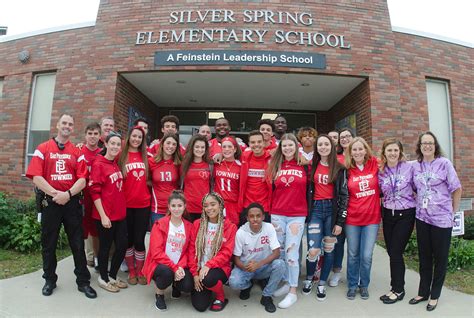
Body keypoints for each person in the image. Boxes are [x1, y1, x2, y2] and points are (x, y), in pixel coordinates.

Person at [26, 114, 96, 298]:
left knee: (77, 244)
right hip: (50, 203)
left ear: (73, 128)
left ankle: (83, 282)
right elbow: (36, 176)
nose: (67, 126)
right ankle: (50, 280)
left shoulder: (77, 151)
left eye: (70, 124)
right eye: (64, 123)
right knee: (48, 244)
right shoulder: (43, 148)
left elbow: (83, 179)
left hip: (71, 203)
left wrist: (68, 194)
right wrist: (55, 194)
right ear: (57, 125)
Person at [409, 131, 462, 311]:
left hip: (442, 220)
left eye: (430, 143)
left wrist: (452, 212)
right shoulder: (415, 166)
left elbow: (457, 189)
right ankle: (423, 292)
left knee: (440, 258)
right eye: (424, 143)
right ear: (419, 146)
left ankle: (435, 294)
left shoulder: (444, 164)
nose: (427, 146)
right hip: (422, 218)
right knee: (424, 257)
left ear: (435, 145)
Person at [303, 134, 348, 301]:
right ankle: (309, 278)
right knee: (313, 249)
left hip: (332, 211)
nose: (323, 147)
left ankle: (322, 282)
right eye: (320, 144)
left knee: (329, 249)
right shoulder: (311, 166)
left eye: (326, 144)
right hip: (315, 210)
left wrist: (340, 221)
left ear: (332, 146)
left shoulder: (340, 168)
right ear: (317, 148)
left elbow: (344, 195)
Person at [268, 133, 308, 309]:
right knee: (282, 252)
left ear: (296, 146)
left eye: (290, 145)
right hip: (277, 213)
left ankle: (293, 291)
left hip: (297, 214)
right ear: (280, 148)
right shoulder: (275, 164)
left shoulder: (304, 164)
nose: (287, 148)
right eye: (284, 146)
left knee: (292, 254)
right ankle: (285, 282)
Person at [378, 138, 416, 304]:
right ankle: (396, 287)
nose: (392, 153)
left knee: (395, 252)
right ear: (384, 153)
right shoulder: (381, 170)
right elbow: (379, 192)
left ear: (400, 152)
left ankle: (398, 289)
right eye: (389, 150)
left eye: (395, 150)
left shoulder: (409, 168)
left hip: (405, 214)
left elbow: (418, 187)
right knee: (391, 251)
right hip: (387, 214)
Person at [142, 190, 194, 311]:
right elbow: (156, 253)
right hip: (160, 265)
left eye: (180, 205)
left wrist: (180, 267)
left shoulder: (189, 226)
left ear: (184, 206)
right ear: (169, 207)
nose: (177, 209)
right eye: (174, 206)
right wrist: (174, 268)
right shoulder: (160, 224)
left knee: (187, 285)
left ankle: (176, 285)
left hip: (179, 264)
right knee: (167, 273)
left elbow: (188, 251)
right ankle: (159, 294)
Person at [229, 203, 285, 313]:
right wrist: (246, 267)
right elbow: (236, 258)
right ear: (247, 218)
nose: (255, 219)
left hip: (263, 266)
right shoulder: (241, 232)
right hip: (248, 268)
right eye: (251, 216)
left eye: (258, 216)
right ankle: (247, 286)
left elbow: (277, 252)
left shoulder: (268, 227)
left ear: (263, 217)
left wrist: (259, 264)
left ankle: (266, 297)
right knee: (234, 282)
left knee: (280, 264)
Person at [344, 137, 380, 300]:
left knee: (366, 255)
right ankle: (352, 285)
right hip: (352, 219)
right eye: (354, 150)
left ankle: (363, 284)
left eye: (360, 149)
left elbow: (394, 159)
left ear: (366, 150)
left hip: (372, 219)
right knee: (353, 254)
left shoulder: (374, 164)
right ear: (350, 153)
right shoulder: (347, 169)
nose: (357, 152)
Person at [188, 193, 237, 312]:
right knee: (200, 306)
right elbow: (192, 250)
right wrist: (194, 274)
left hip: (218, 268)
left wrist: (209, 265)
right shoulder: (197, 224)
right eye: (206, 206)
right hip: (199, 269)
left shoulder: (229, 227)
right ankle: (207, 287)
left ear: (220, 205)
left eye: (213, 204)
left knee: (208, 279)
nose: (209, 208)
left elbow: (226, 253)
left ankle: (220, 296)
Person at [117, 126, 151, 285]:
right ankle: (131, 271)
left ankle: (140, 270)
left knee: (139, 240)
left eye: (140, 137)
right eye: (134, 136)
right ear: (129, 137)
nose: (136, 139)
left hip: (143, 205)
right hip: (125, 205)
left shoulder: (147, 157)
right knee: (128, 240)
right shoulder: (120, 156)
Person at [329, 127, 354, 287]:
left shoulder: (359, 155)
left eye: (347, 136)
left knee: (354, 245)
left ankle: (354, 274)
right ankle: (336, 271)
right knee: (338, 241)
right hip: (339, 205)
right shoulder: (336, 158)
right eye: (342, 137)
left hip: (357, 206)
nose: (344, 139)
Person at [80, 123, 102, 271]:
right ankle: (88, 258)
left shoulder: (103, 152)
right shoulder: (79, 151)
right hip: (82, 196)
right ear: (85, 135)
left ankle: (97, 257)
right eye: (90, 133)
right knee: (84, 228)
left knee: (97, 228)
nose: (93, 136)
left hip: (98, 197)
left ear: (100, 136)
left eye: (95, 133)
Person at [238, 131, 272, 223]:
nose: (256, 145)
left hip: (265, 206)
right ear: (248, 144)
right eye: (253, 142)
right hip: (247, 205)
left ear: (264, 142)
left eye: (259, 142)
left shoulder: (271, 158)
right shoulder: (244, 157)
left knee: (263, 236)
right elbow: (228, 153)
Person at [149, 133, 182, 224]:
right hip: (157, 209)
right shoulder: (152, 162)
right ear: (162, 144)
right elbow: (147, 181)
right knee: (158, 236)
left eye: (174, 144)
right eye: (168, 143)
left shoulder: (178, 163)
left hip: (175, 208)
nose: (170, 146)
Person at [181, 134, 213, 222]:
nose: (200, 150)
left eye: (203, 147)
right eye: (197, 147)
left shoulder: (210, 165)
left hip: (205, 208)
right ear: (192, 147)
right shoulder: (184, 164)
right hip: (187, 208)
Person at [213, 136, 242, 225]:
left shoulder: (240, 166)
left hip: (233, 205)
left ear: (235, 149)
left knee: (231, 233)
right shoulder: (216, 163)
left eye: (230, 147)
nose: (227, 149)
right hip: (218, 204)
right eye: (224, 147)